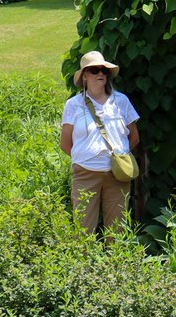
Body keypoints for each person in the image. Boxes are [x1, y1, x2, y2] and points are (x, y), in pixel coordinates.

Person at [60, 51, 140, 235]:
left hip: (117, 175)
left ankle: (115, 264)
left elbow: (134, 137)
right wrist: (86, 157)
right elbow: (65, 143)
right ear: (85, 76)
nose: (101, 74)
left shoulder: (121, 101)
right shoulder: (73, 105)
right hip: (85, 175)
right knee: (83, 230)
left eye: (104, 70)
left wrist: (118, 157)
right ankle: (83, 264)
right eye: (95, 70)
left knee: (117, 230)